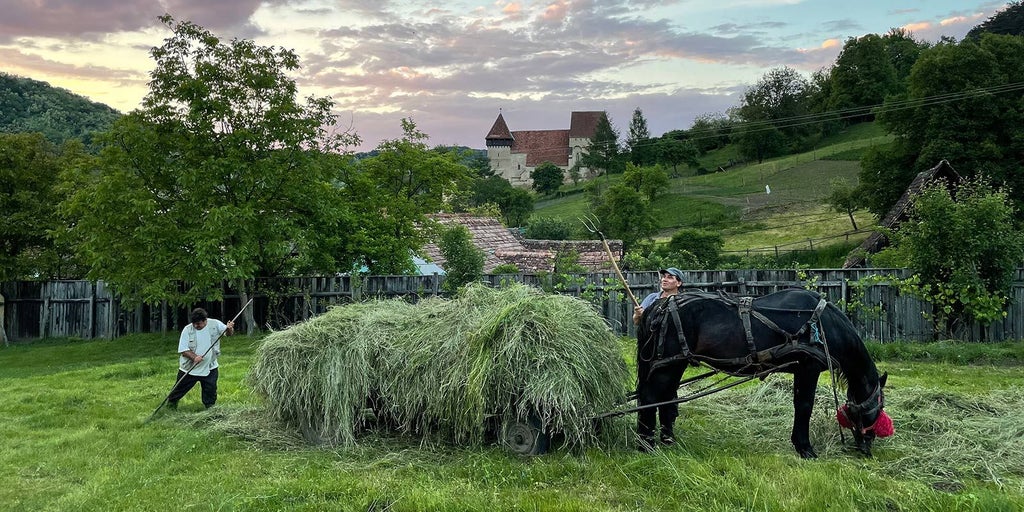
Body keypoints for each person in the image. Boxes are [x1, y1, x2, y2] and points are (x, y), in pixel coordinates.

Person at [632, 267, 686, 451]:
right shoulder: (652, 299)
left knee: (669, 390)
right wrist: (638, 315)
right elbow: (636, 321)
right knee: (648, 389)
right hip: (649, 351)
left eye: (670, 277)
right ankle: (646, 432)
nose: (665, 279)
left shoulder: (682, 302)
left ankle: (667, 431)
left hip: (672, 353)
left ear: (678, 283)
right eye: (664, 277)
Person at [167, 308, 234, 409]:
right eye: (194, 323)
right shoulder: (187, 330)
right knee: (178, 389)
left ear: (205, 320)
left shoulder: (215, 324)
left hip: (210, 367)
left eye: (198, 323)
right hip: (190, 368)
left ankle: (210, 408)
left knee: (210, 390)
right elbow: (183, 350)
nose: (195, 326)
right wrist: (194, 357)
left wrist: (229, 328)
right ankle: (171, 406)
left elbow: (228, 334)